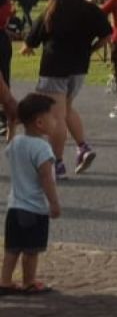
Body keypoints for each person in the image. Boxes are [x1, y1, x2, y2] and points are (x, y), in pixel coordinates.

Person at [22, 0, 113, 180]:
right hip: (79, 68)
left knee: (56, 117)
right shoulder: (90, 10)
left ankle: (58, 163)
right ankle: (83, 147)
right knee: (67, 109)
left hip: (54, 69)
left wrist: (26, 48)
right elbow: (108, 35)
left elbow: (31, 40)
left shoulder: (51, 11)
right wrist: (91, 49)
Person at [2, 93, 60, 295]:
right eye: (53, 117)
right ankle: (29, 281)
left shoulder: (17, 143)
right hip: (34, 208)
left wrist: (12, 126)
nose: (55, 121)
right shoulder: (42, 148)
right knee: (31, 250)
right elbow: (46, 178)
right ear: (40, 122)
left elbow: (8, 146)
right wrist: (53, 203)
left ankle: (5, 281)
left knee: (12, 248)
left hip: (14, 207)